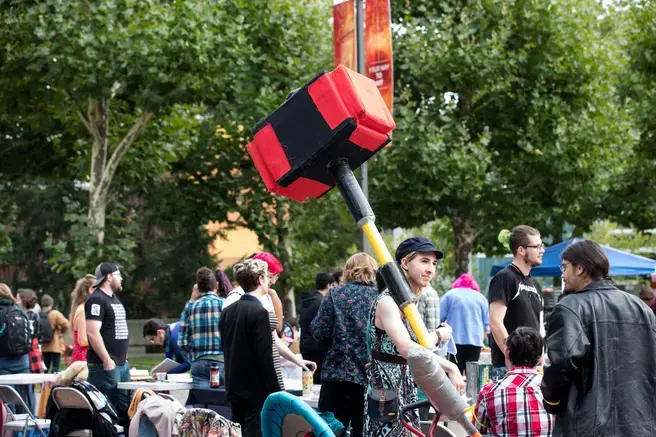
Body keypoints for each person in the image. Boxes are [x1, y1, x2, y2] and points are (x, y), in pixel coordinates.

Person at [541, 240, 656, 437]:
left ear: (580, 268)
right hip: (640, 423)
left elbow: (560, 366)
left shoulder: (570, 307)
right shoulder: (641, 307)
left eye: (565, 267)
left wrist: (552, 402)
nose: (562, 274)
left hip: (586, 425)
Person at [364, 237, 463, 437]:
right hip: (385, 389)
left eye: (434, 263)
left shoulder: (411, 302)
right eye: (424, 261)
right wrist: (450, 366)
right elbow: (404, 346)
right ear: (405, 263)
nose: (431, 269)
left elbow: (419, 346)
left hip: (405, 385)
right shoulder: (388, 301)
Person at [311, 254, 379, 437]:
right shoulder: (381, 297)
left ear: (348, 270)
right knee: (363, 432)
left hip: (336, 376)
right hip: (369, 379)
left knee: (329, 431)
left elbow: (319, 331)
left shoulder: (335, 293)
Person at [224, 252, 313, 389]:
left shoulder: (265, 296)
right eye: (270, 276)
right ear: (258, 276)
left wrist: (296, 360)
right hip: (252, 373)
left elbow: (273, 336)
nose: (273, 281)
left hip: (268, 366)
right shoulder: (236, 298)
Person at [220, 259, 282, 437]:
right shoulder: (259, 312)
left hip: (234, 386)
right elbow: (264, 357)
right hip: (255, 391)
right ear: (260, 280)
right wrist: (276, 393)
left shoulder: (228, 311)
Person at [473, 327, 554, 436]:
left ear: (506, 352)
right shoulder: (554, 390)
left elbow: (476, 433)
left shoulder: (488, 392)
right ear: (540, 358)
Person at [489, 226, 544, 381]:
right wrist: (510, 355)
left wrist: (541, 356)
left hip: (532, 368)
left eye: (542, 246)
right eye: (537, 246)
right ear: (521, 250)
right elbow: (495, 322)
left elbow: (537, 325)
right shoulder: (505, 278)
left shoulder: (535, 284)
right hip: (507, 367)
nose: (542, 250)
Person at [85, 262, 131, 426]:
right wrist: (106, 359)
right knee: (107, 413)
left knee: (125, 410)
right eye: (118, 274)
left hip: (120, 364)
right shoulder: (97, 299)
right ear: (109, 277)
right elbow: (92, 332)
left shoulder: (113, 298)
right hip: (105, 366)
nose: (121, 278)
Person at [178, 267, 224, 387]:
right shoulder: (226, 305)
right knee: (222, 402)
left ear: (197, 288)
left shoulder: (189, 307)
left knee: (202, 401)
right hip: (222, 362)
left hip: (199, 362)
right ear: (217, 286)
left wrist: (193, 359)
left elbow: (182, 343)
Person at [440, 273, 489, 374]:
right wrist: (481, 339)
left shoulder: (450, 295)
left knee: (453, 374)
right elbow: (486, 325)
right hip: (475, 342)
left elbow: (440, 318)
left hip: (453, 342)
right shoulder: (481, 298)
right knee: (473, 377)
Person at [0, 283, 32, 414]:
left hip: (3, 361)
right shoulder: (19, 310)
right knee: (24, 403)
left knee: (8, 405)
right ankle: (27, 433)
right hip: (23, 360)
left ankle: (10, 433)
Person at [299, 272, 333, 384]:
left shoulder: (307, 300)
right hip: (318, 346)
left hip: (304, 343)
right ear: (329, 285)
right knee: (318, 380)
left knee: (307, 378)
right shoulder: (322, 301)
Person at [39, 293, 70, 374]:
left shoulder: (39, 314)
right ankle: (53, 384)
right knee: (55, 367)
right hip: (55, 345)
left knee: (45, 367)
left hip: (44, 345)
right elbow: (66, 324)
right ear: (51, 304)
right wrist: (61, 332)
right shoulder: (55, 313)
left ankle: (44, 385)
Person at [69, 274, 95, 363]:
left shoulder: (81, 308)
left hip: (82, 357)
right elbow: (83, 341)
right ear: (91, 289)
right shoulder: (83, 310)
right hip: (83, 358)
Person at [17, 289, 43, 375]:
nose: (17, 302)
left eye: (19, 299)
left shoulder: (23, 315)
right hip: (31, 345)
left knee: (32, 373)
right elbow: (38, 332)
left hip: (29, 345)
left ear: (24, 301)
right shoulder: (35, 315)